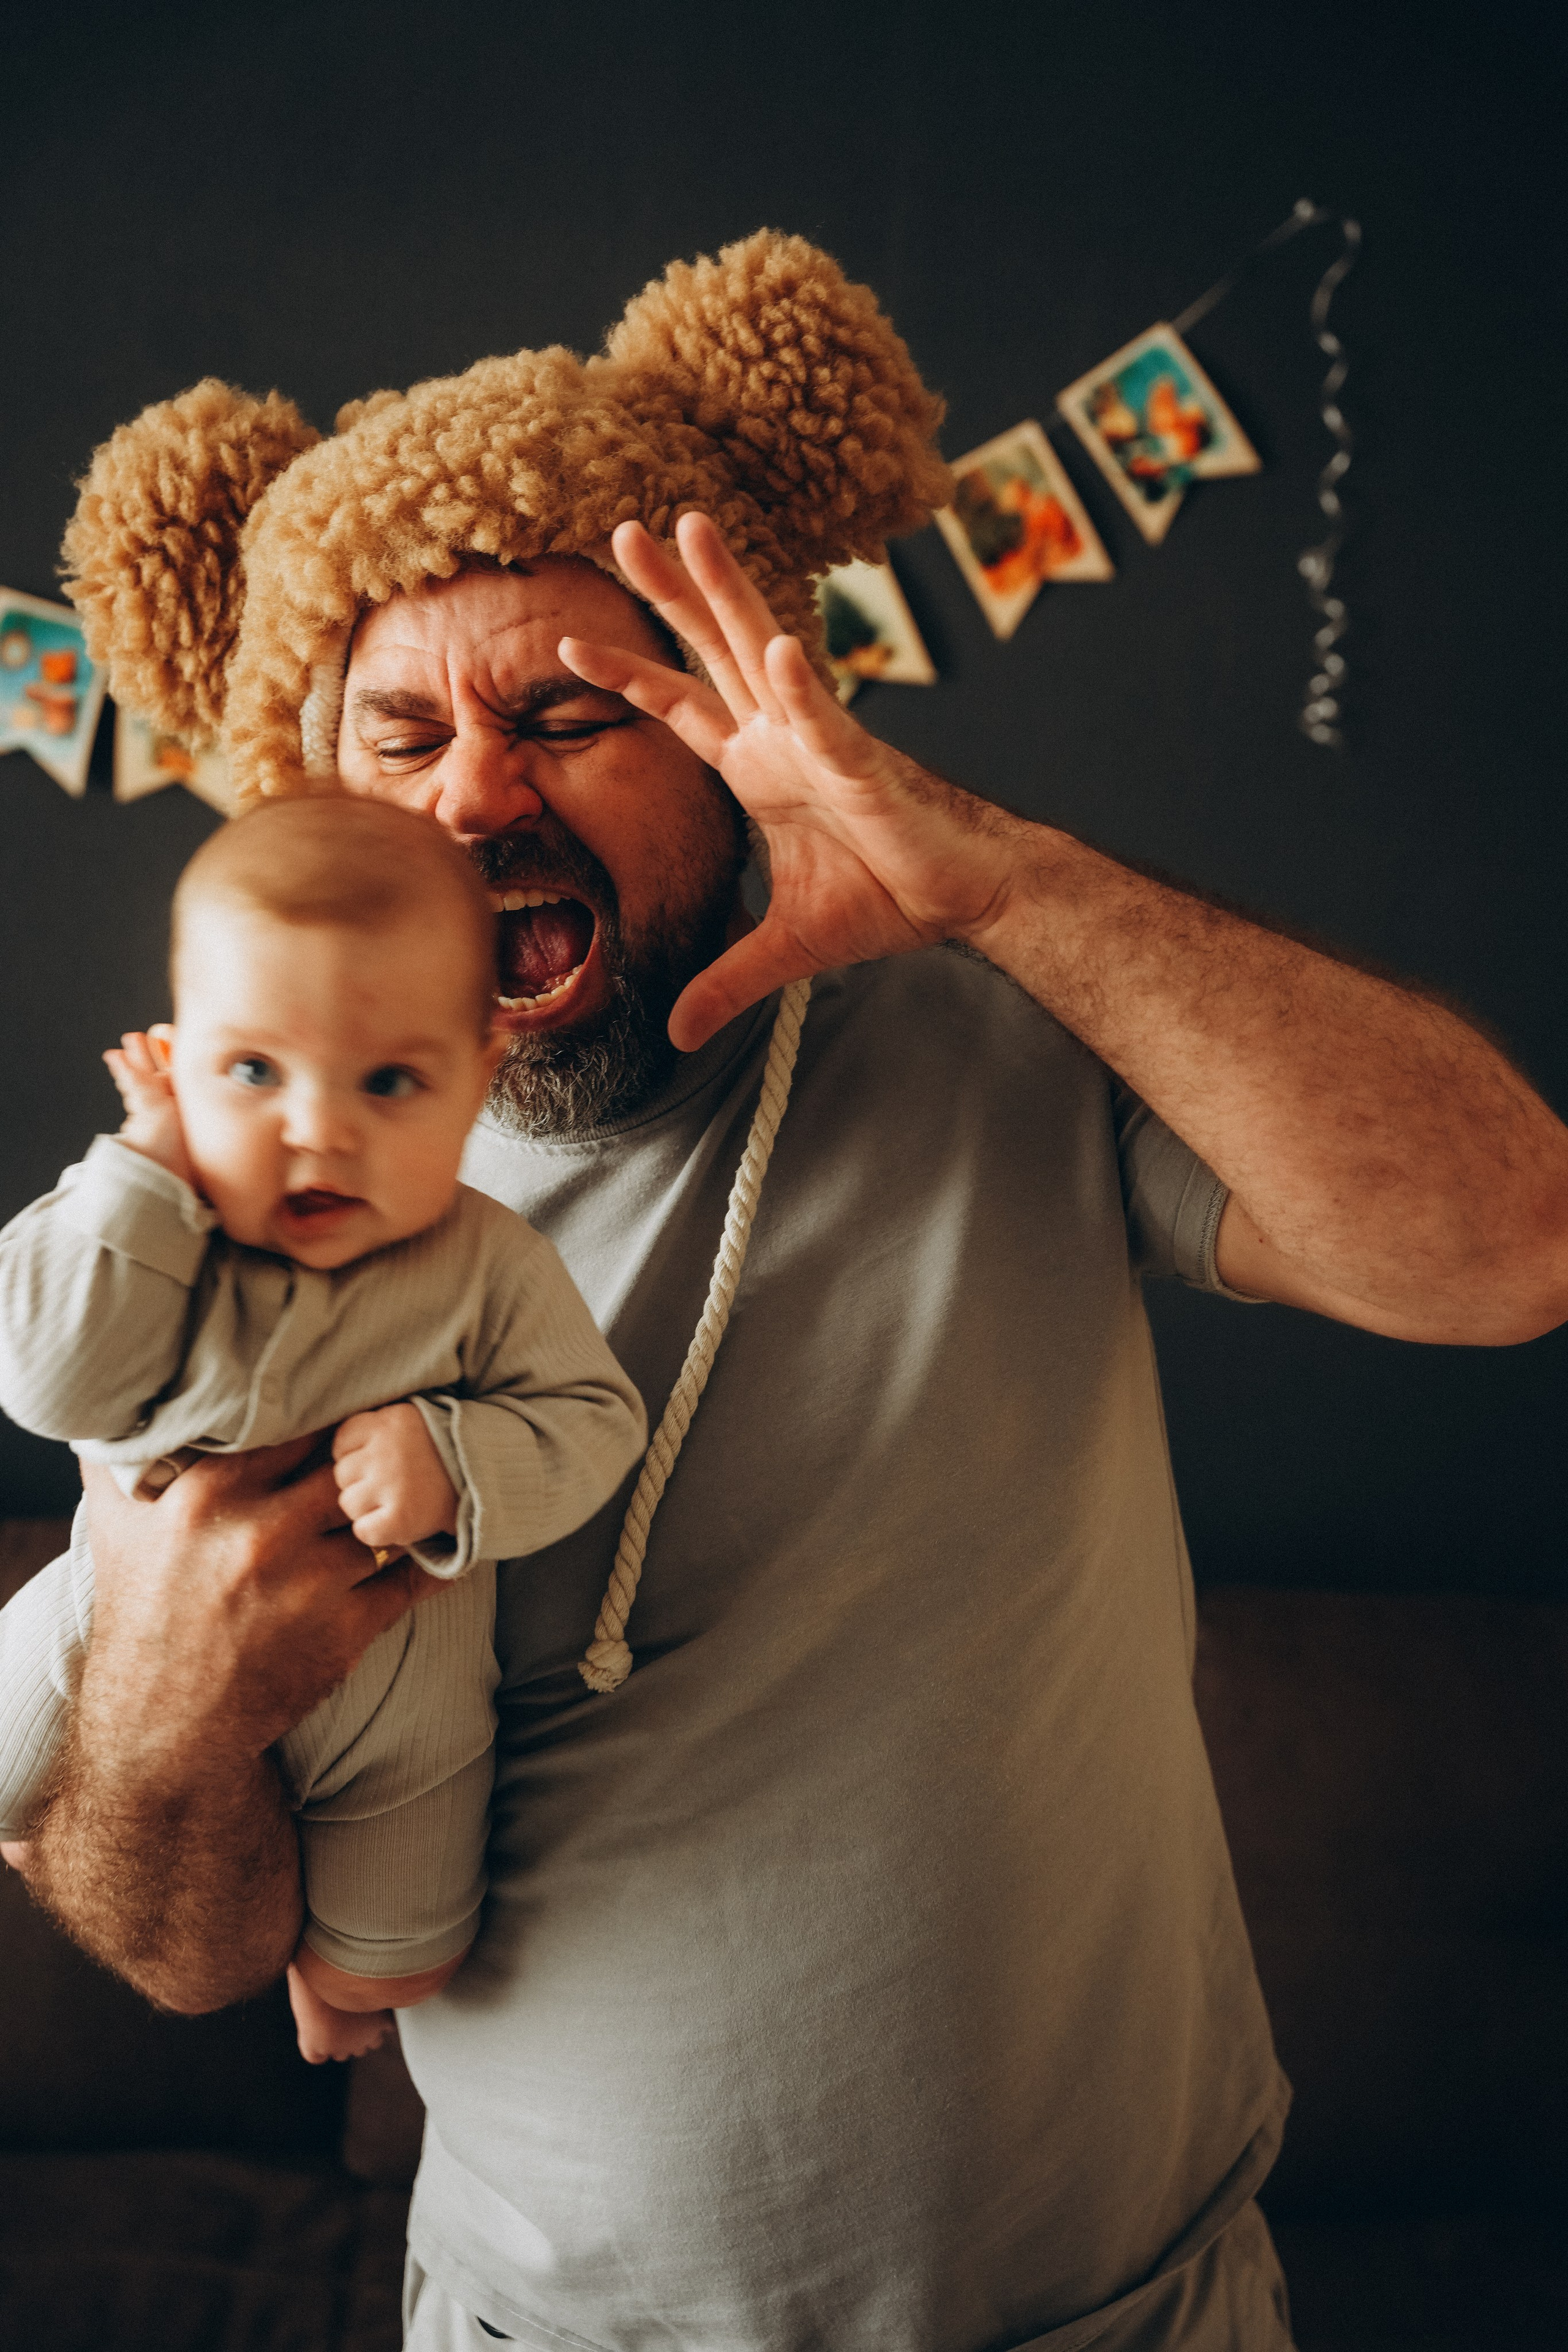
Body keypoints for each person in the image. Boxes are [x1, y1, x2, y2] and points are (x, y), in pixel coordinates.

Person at [13, 233, 1567, 2350]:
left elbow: (1511, 1244)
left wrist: (1005, 881)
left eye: (571, 711)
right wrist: (163, 1717)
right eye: (399, 739)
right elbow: (191, 1951)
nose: (480, 793)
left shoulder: (995, 1022)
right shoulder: (236, 1220)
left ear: (747, 717)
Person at [0, 796, 646, 2066]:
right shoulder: (148, 1214)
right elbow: (50, 1384)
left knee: (396, 1965)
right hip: (112, 1631)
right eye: (253, 1072)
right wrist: (140, 1171)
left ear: (480, 1080)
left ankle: (335, 1993)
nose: (317, 1128)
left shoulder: (488, 1262)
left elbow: (592, 1421)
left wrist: (454, 1462)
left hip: (404, 1707)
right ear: (179, 1063)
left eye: (391, 1081)